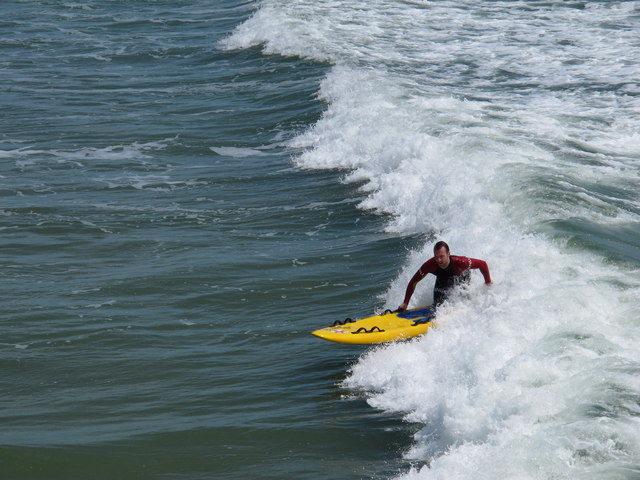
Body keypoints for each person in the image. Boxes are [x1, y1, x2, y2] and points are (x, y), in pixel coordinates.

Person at [398, 241, 492, 311]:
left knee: (462, 301)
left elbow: (482, 264)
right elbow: (414, 282)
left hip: (462, 276)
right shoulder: (430, 265)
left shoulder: (461, 262)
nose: (439, 260)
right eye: (436, 256)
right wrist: (405, 303)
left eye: (441, 256)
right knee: (437, 306)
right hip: (443, 277)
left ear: (448, 254)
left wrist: (488, 282)